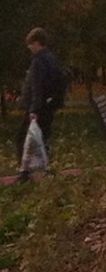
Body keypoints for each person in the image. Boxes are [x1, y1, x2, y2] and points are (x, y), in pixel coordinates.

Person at [14, 28, 65, 181]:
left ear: (37, 42)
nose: (29, 47)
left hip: (38, 108)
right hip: (49, 106)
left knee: (22, 138)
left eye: (30, 44)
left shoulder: (38, 61)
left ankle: (25, 173)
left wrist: (34, 109)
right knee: (43, 138)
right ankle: (46, 169)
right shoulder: (52, 59)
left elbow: (37, 87)